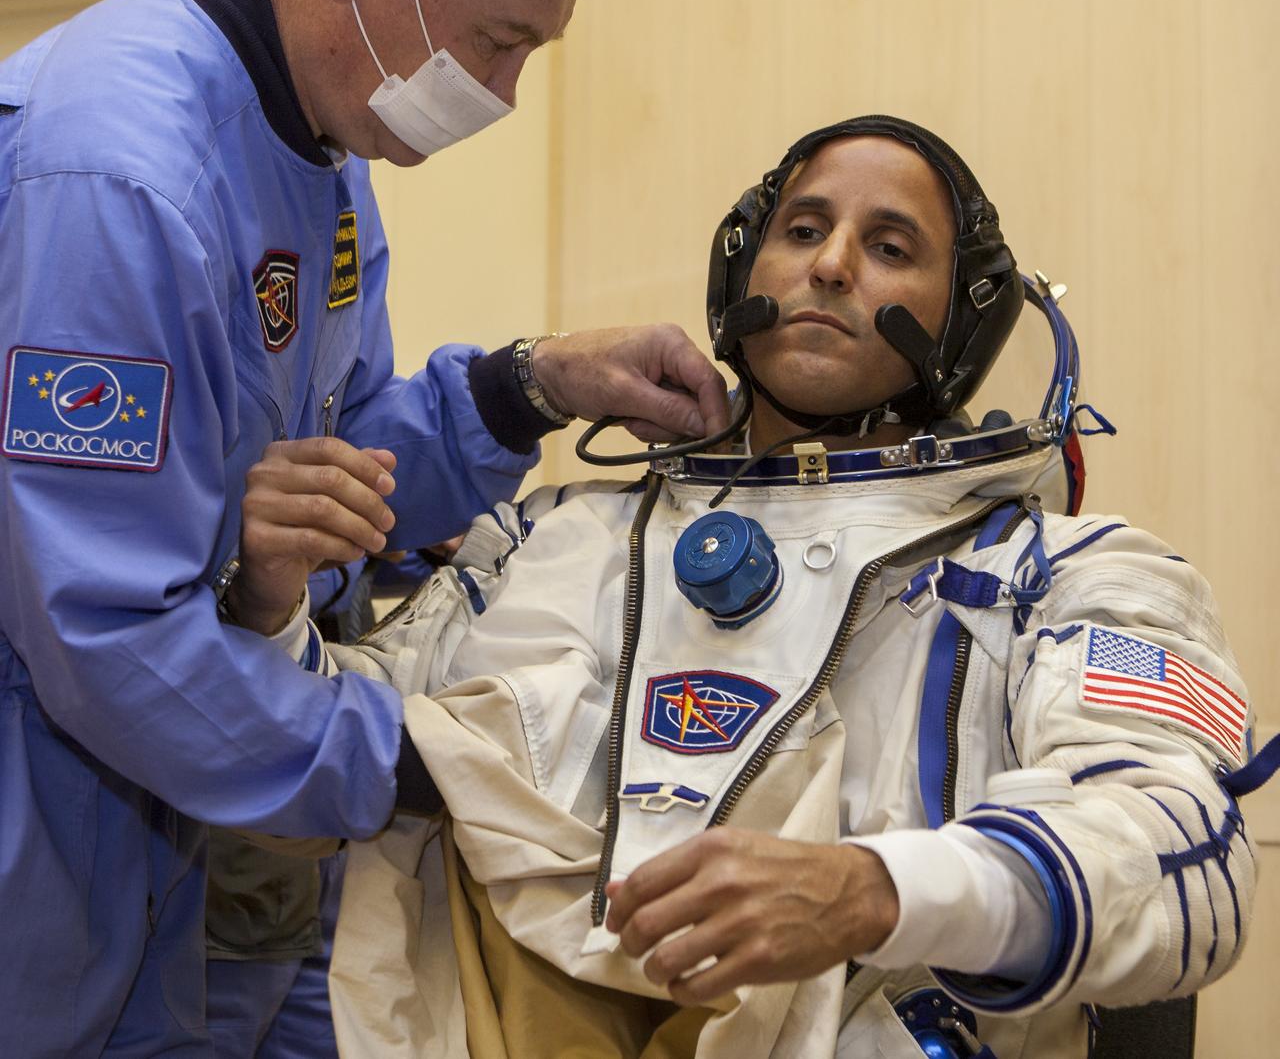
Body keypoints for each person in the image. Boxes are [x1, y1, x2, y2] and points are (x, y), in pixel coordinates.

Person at [234, 116, 1260, 1057]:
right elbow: (307, 766)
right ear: (740, 271)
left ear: (961, 322)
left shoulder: (1061, 573)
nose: (830, 264)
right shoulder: (553, 537)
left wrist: (876, 890)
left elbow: (1184, 858)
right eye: (802, 228)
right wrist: (269, 603)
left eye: (890, 247)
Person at [0, 0, 734, 1055]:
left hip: (204, 862)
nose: (499, 93)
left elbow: (333, 468)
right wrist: (419, 767)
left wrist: (521, 389)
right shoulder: (117, 176)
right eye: (498, 43)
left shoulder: (315, 150)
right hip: (55, 852)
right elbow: (105, 637)